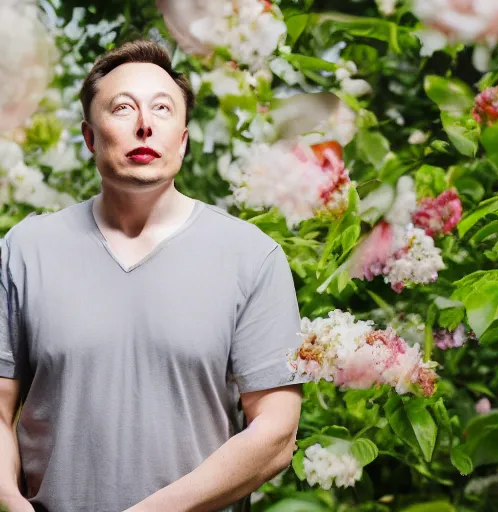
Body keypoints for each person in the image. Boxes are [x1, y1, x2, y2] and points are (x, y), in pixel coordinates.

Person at [0, 40, 308, 512]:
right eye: (123, 108)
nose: (145, 123)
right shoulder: (23, 250)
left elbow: (275, 432)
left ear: (182, 138)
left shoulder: (252, 256)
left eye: (162, 108)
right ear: (89, 136)